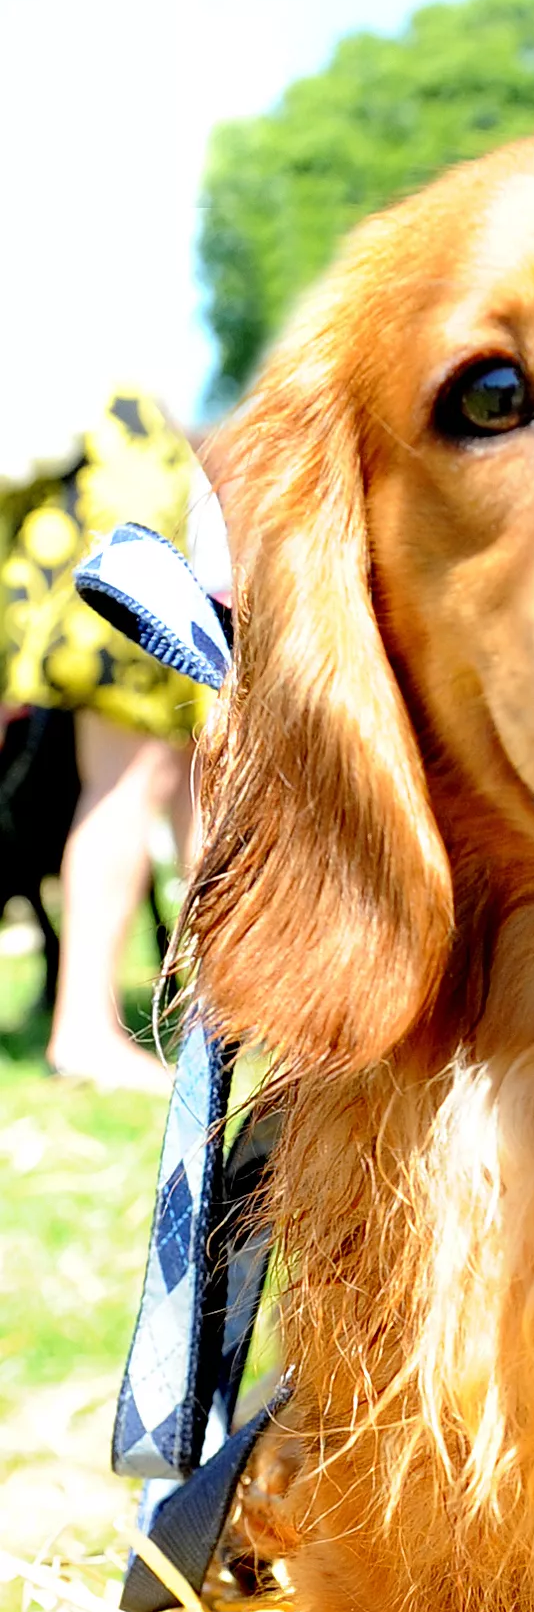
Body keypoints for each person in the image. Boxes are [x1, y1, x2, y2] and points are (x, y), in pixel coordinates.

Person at [0, 387, 211, 1090]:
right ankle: (85, 1030)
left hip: (113, 520)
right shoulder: (112, 400)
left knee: (191, 778)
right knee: (131, 780)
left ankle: (230, 1012)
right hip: (122, 532)